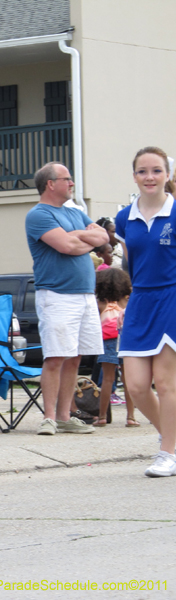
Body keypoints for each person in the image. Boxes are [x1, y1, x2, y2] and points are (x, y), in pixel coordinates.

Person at [25, 162, 107, 436]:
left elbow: (103, 236)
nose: (72, 183)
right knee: (56, 356)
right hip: (57, 295)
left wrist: (80, 236)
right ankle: (48, 417)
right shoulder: (38, 215)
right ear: (50, 184)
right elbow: (67, 246)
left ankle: (64, 415)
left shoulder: (75, 212)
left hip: (84, 295)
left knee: (75, 358)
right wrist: (84, 239)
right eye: (67, 179)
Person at [115, 146, 176, 476]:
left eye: (156, 170)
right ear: (135, 176)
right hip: (140, 302)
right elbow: (131, 264)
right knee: (137, 387)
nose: (149, 177)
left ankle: (167, 453)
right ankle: (172, 438)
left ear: (167, 174)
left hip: (172, 299)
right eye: (143, 171)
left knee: (166, 384)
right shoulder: (125, 218)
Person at [93, 268, 137, 427]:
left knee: (107, 379)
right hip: (125, 340)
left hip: (107, 343)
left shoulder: (101, 303)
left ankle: (102, 416)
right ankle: (131, 417)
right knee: (128, 380)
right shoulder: (125, 301)